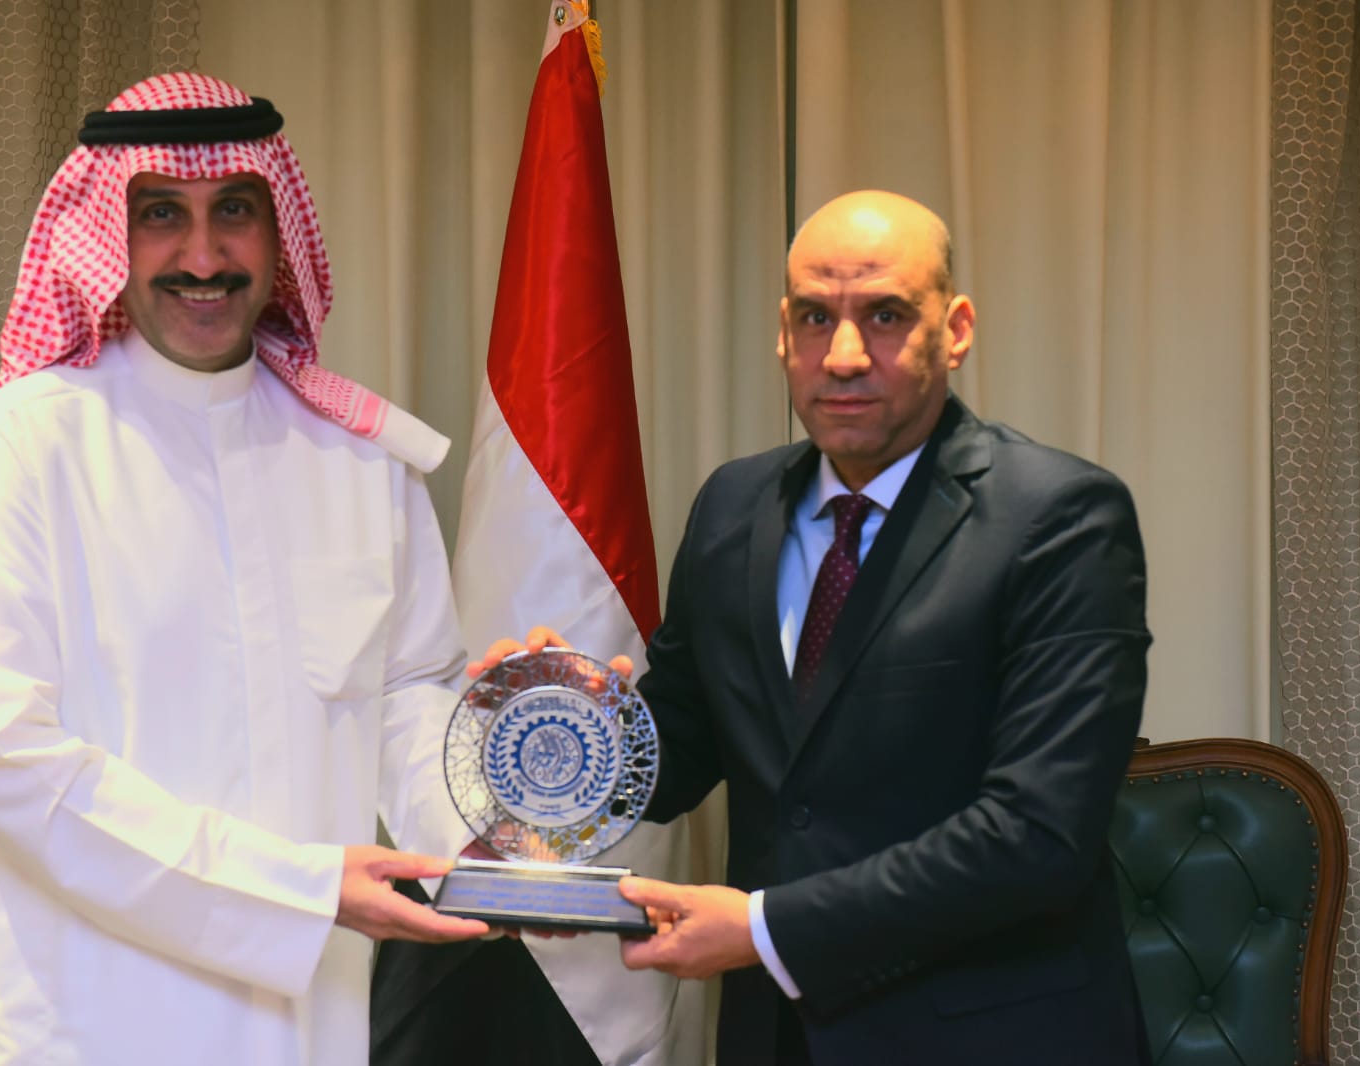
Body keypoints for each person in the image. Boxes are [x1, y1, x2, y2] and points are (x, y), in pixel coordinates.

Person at [484, 190, 1153, 1064]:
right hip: (777, 1040)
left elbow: (1039, 835)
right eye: (814, 317)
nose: (843, 356)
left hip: (988, 1037)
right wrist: (556, 727)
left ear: (955, 330)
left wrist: (766, 929)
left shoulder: (1060, 518)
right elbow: (677, 739)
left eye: (885, 316)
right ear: (782, 333)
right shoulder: (733, 506)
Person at [0, 73, 493, 1066]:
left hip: (301, 1026)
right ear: (107, 232)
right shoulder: (24, 445)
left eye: (234, 210)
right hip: (76, 1025)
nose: (204, 256)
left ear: (278, 229)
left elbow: (408, 702)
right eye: (160, 214)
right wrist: (294, 893)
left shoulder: (359, 458)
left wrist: (510, 805)